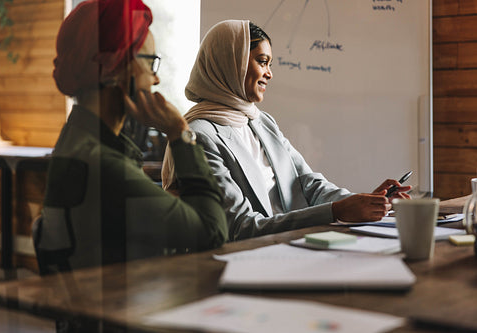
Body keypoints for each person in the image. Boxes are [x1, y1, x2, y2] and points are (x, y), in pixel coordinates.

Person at [161, 20, 410, 241]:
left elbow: (307, 184)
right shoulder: (199, 135)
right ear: (231, 63)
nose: (269, 73)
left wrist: (365, 201)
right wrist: (338, 211)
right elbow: (240, 227)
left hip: (295, 245)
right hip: (249, 260)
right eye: (262, 62)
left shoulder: (261, 121)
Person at [35, 0, 228, 270]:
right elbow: (211, 231)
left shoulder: (76, 141)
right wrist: (180, 133)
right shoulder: (102, 163)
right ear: (115, 64)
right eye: (150, 63)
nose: (156, 79)